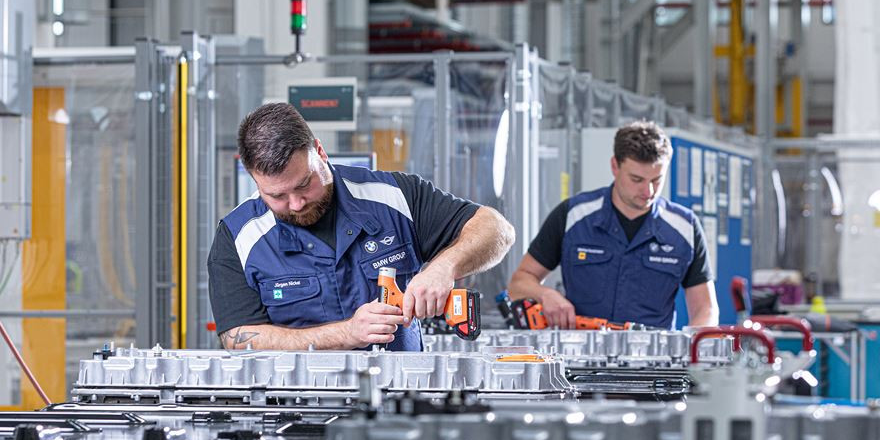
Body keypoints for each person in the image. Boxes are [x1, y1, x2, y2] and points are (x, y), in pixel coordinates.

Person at [208, 102, 515, 351]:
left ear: (320, 152)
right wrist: (347, 334)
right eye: (277, 196)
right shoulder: (237, 238)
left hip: (401, 405)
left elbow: (497, 229)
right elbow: (238, 337)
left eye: (304, 184)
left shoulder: (393, 196)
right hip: (297, 412)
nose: (297, 203)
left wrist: (444, 267)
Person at [507, 120, 718, 329]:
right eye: (637, 179)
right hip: (580, 356)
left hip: (654, 360)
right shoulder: (573, 216)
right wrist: (546, 294)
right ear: (615, 166)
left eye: (656, 180)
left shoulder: (685, 228)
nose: (649, 192)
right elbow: (519, 283)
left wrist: (692, 348)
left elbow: (705, 309)